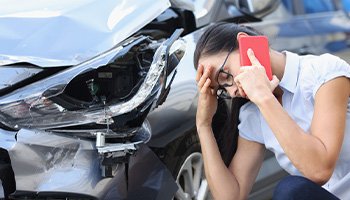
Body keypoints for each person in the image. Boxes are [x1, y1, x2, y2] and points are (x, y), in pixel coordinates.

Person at [194, 22, 350, 200]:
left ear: (246, 45)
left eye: (225, 75)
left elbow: (320, 170)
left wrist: (264, 97)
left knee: (290, 189)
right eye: (222, 89)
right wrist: (203, 125)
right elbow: (231, 197)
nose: (232, 92)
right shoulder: (253, 113)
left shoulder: (323, 72)